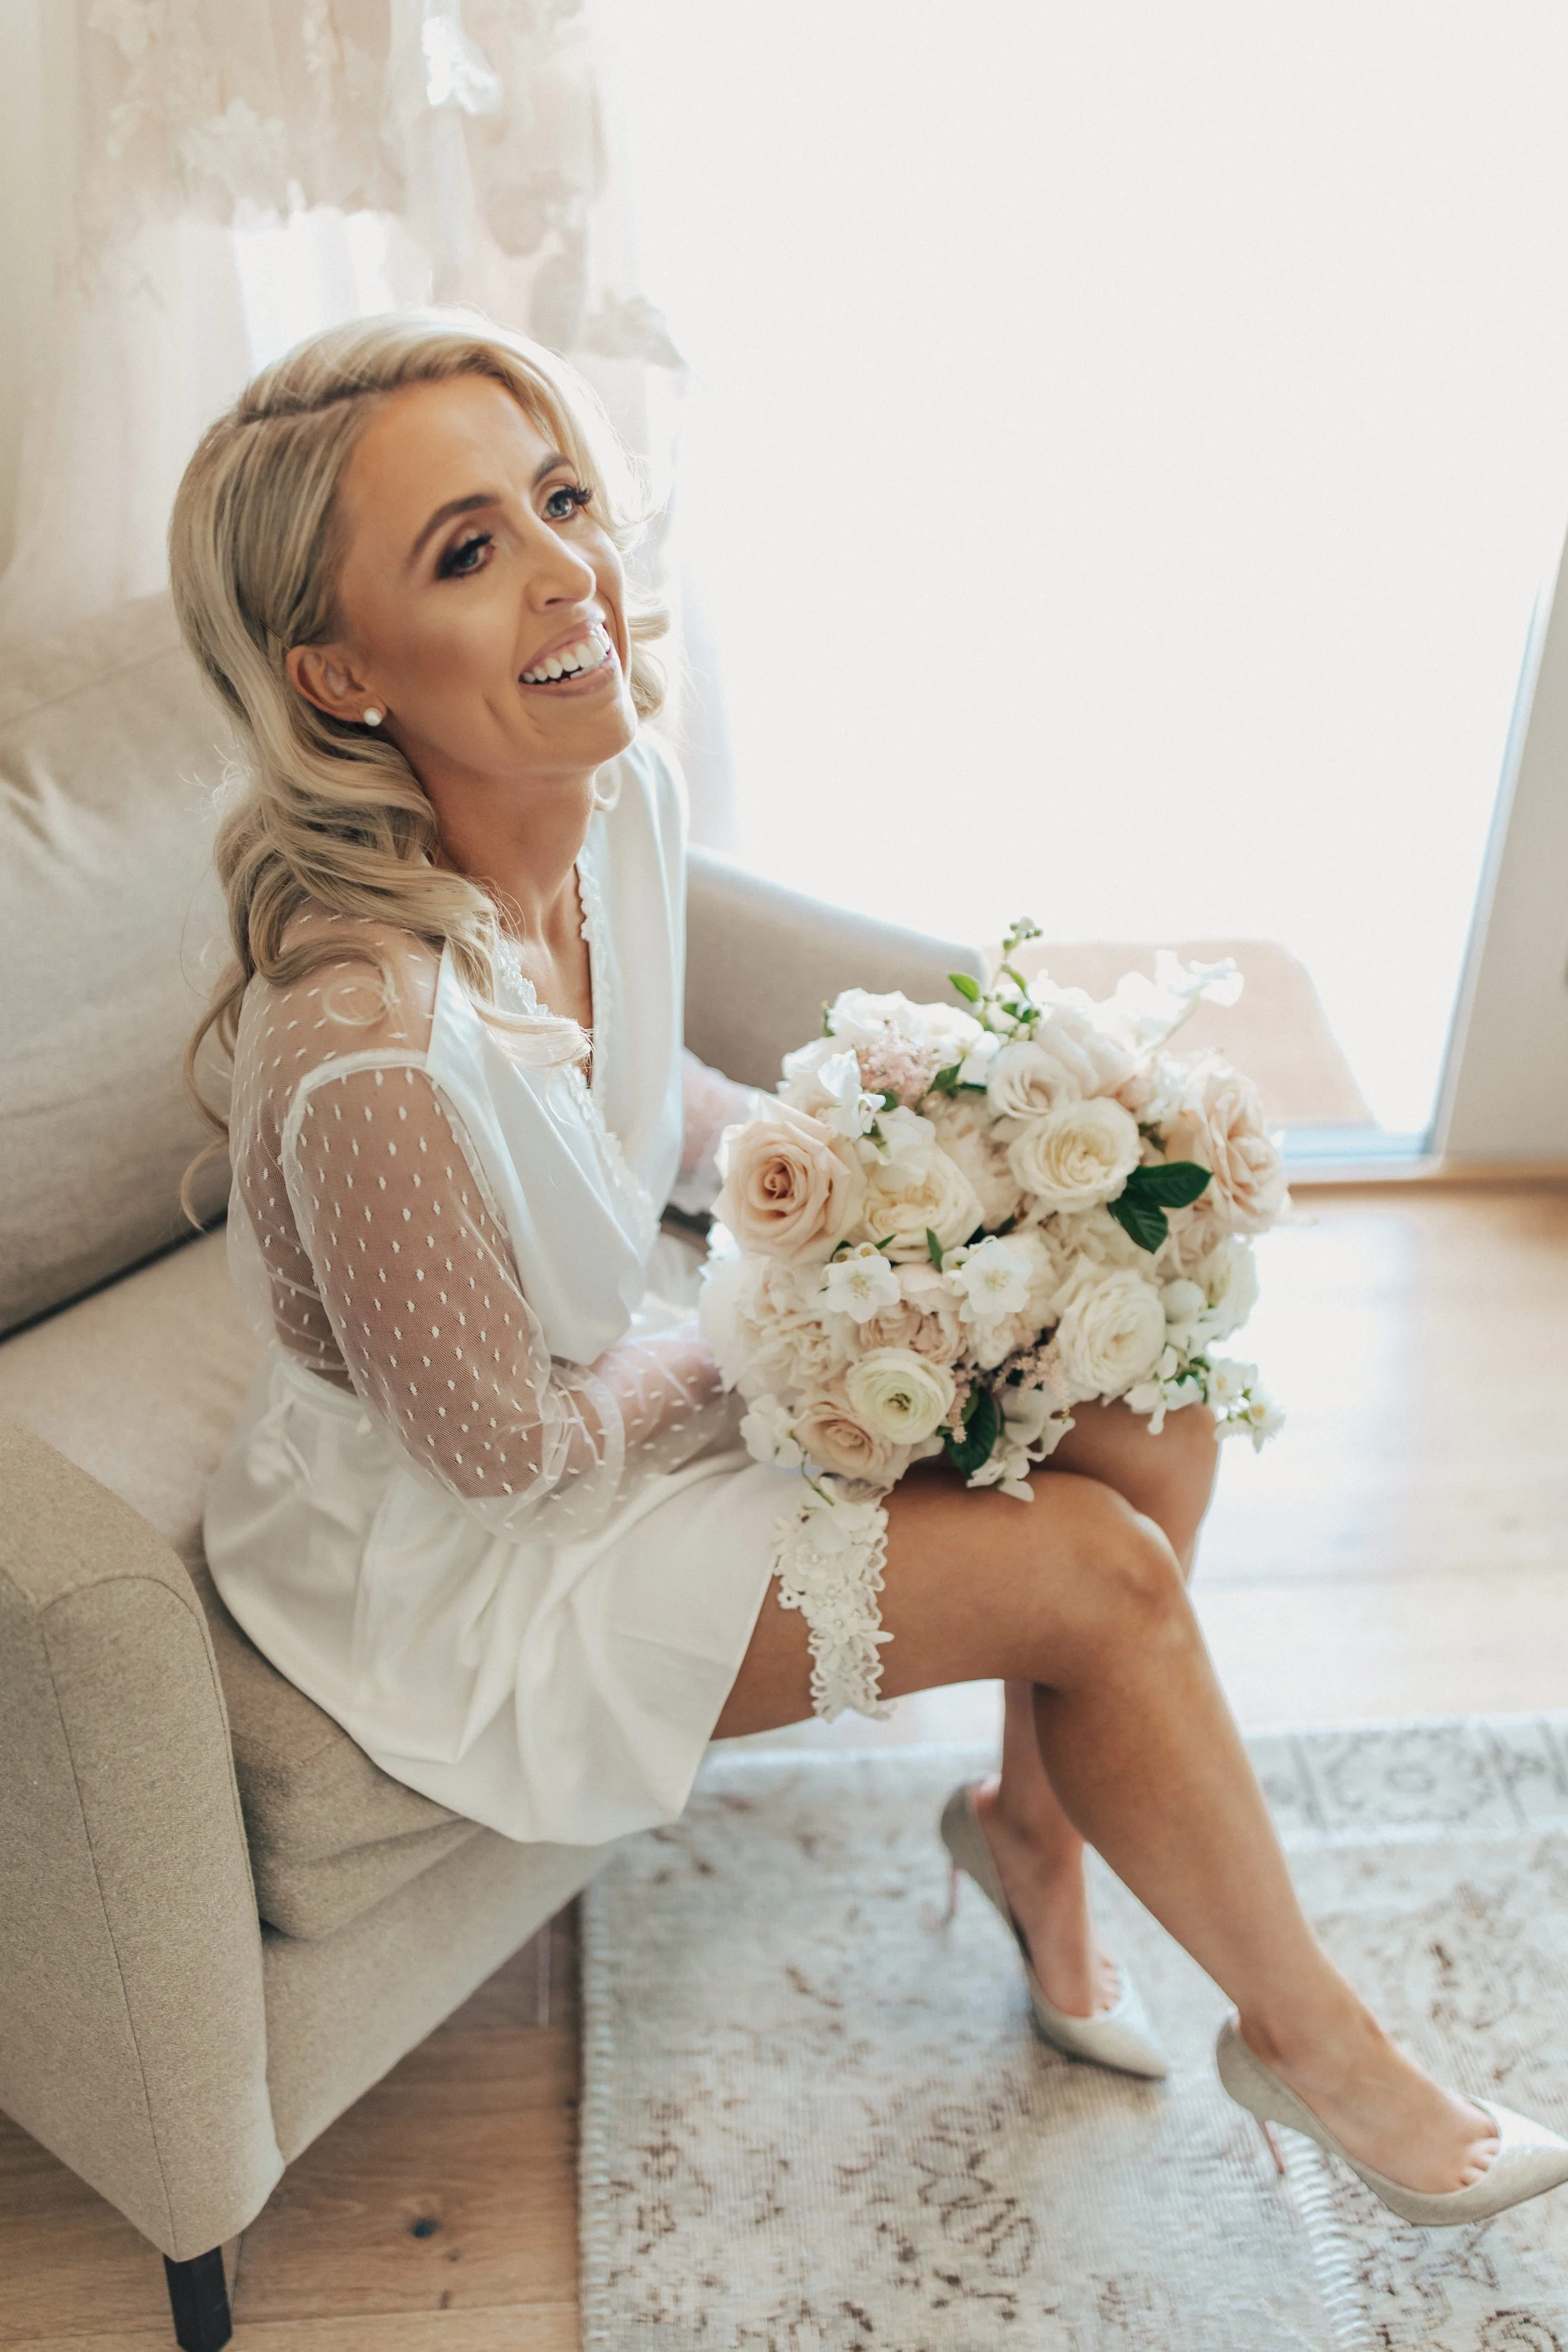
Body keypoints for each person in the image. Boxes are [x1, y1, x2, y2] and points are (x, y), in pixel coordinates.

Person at [175, 310, 1568, 2232]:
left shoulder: (619, 800)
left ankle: (1027, 1835)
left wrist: (856, 1184)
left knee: (1147, 1410)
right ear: (336, 672)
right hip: (465, 1555)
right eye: (467, 551)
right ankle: (1319, 2043)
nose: (568, 569)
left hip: (617, 1377)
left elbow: (626, 1085)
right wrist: (772, 1341)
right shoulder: (361, 1050)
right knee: (1098, 1573)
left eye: (559, 498)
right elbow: (496, 1456)